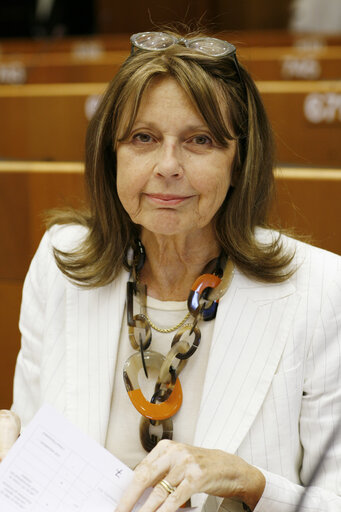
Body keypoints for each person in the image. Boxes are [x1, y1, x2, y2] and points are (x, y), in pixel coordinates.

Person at [1, 30, 341, 511]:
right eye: (144, 138)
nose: (168, 165)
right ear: (111, 153)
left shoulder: (323, 291)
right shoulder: (59, 264)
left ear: (239, 159)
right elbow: (33, 471)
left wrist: (250, 481)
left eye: (199, 140)